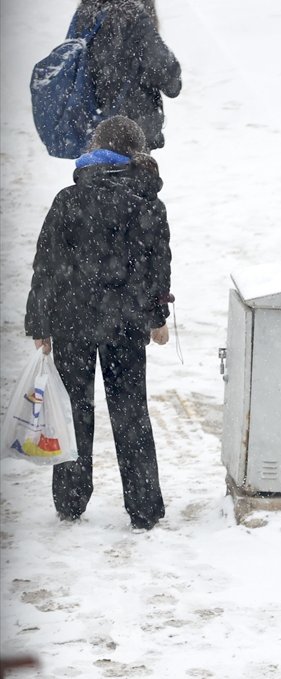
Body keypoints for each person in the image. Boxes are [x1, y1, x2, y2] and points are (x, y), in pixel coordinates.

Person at [24, 115, 173, 532]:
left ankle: (70, 501)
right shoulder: (147, 201)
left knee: (73, 411)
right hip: (125, 325)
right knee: (131, 413)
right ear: (135, 152)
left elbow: (46, 266)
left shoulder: (69, 200)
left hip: (73, 322)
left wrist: (41, 323)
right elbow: (157, 268)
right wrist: (156, 319)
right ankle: (144, 509)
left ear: (96, 148)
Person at [74, 0, 182, 150]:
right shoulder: (134, 16)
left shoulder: (85, 13)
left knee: (97, 170)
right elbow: (170, 82)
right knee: (130, 171)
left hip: (93, 126)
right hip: (133, 131)